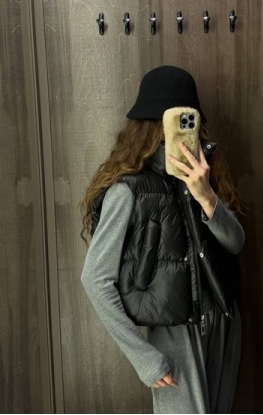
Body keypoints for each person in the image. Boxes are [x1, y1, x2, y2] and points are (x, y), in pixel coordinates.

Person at [79, 65, 246, 413]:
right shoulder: (128, 191)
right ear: (155, 124)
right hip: (175, 338)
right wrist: (143, 357)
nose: (186, 130)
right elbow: (95, 279)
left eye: (191, 121)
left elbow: (236, 242)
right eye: (177, 121)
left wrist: (206, 195)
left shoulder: (204, 174)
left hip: (224, 323)